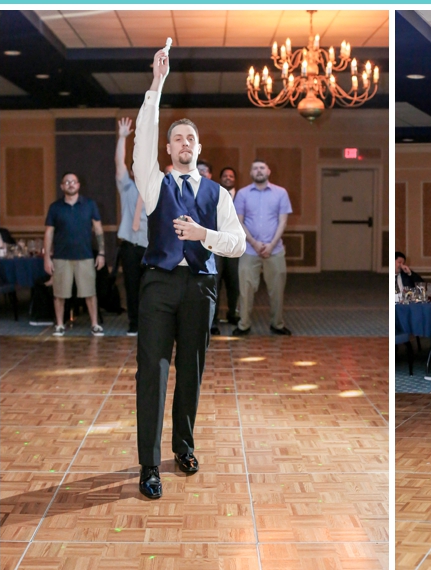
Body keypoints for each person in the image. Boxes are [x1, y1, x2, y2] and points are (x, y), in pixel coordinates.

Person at [132, 45, 245, 499]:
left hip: (201, 288)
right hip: (158, 285)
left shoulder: (217, 195)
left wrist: (204, 235)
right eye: (176, 138)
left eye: (190, 139)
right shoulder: (153, 181)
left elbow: (236, 244)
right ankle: (148, 466)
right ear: (168, 147)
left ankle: (183, 447)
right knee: (152, 373)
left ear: (199, 149)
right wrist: (156, 87)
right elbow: (142, 137)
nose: (183, 143)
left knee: (191, 373)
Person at [233, 160, 293, 336]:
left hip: (275, 251)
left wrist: (271, 244)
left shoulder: (281, 193)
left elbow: (283, 221)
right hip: (249, 250)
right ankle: (244, 324)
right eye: (255, 168)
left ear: (268, 171)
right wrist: (254, 243)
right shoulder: (242, 194)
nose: (258, 171)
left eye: (262, 168)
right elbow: (239, 221)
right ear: (251, 173)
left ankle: (277, 324)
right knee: (246, 289)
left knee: (277, 290)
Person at [44, 172, 105, 337]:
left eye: (73, 182)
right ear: (62, 186)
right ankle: (59, 325)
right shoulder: (55, 207)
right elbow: (49, 233)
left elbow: (98, 229)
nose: (70, 184)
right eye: (67, 182)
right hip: (61, 257)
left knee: (90, 293)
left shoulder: (90, 205)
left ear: (78, 185)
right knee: (59, 294)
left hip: (85, 256)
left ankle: (94, 324)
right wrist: (47, 257)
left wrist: (101, 253)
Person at [115, 117, 148, 337]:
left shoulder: (158, 191)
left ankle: (151, 323)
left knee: (152, 288)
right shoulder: (127, 187)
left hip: (151, 246)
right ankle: (134, 323)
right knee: (132, 285)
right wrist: (122, 138)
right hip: (129, 245)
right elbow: (119, 164)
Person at [213, 166, 241, 330]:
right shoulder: (214, 194)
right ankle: (213, 320)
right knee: (215, 284)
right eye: (225, 175)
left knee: (234, 283)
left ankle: (233, 314)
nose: (228, 178)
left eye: (231, 176)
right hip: (216, 247)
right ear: (220, 178)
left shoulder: (242, 196)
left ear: (235, 179)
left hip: (234, 248)